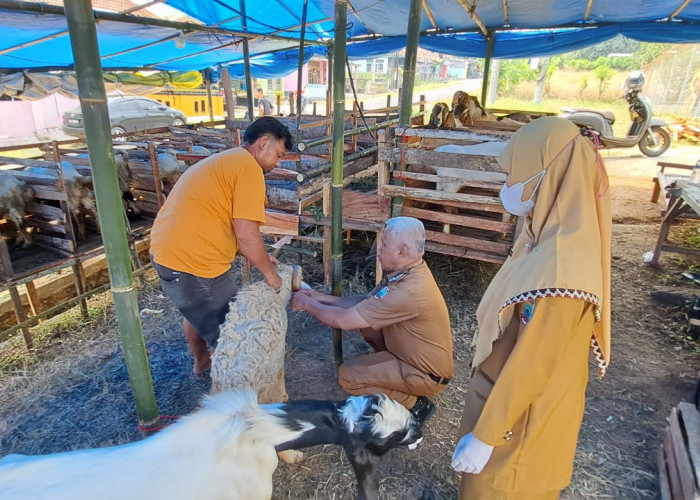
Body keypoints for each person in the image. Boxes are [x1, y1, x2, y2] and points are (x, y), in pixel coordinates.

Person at [451, 117, 611, 499]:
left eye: (514, 175)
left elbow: (533, 363)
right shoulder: (546, 237)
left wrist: (486, 437)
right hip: (508, 409)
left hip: (519, 430)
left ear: (548, 175)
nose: (507, 187)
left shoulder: (561, 271)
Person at [150, 117, 293, 375]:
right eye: (278, 155)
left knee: (198, 312)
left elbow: (218, 219)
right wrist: (270, 275)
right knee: (230, 334)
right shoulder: (249, 169)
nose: (277, 163)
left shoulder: (227, 161)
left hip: (170, 253)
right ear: (263, 143)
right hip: (193, 263)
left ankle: (202, 362)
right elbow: (247, 233)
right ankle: (229, 388)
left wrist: (258, 257)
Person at [291, 216, 453, 423]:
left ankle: (416, 404)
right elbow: (366, 302)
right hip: (411, 358)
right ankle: (390, 373)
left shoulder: (410, 289)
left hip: (425, 374)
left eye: (384, 245)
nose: (378, 251)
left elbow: (344, 321)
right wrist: (318, 297)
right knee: (368, 325)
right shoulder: (407, 272)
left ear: (402, 251)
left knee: (349, 376)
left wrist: (306, 305)